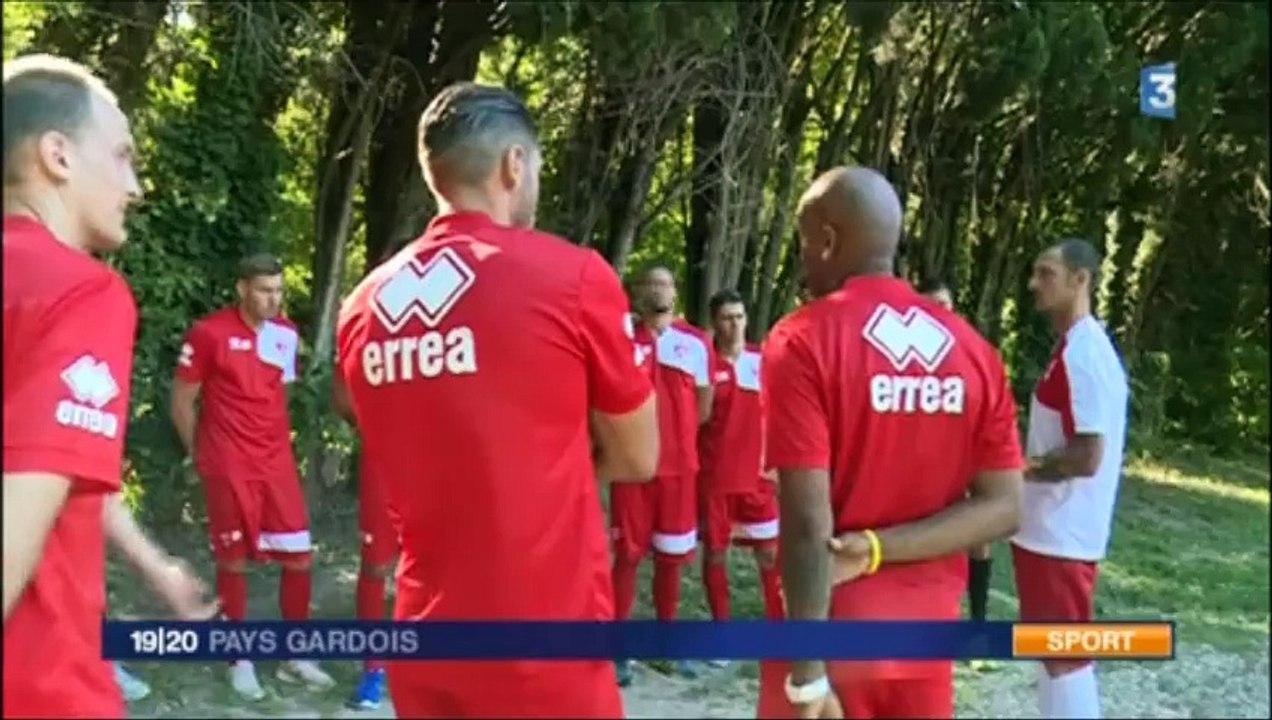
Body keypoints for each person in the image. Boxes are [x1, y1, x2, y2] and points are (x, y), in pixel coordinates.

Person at [334, 81, 659, 718]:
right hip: (542, 644)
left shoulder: (363, 306)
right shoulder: (571, 276)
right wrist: (543, 472)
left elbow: (369, 419)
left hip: (424, 643)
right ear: (514, 164)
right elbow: (639, 456)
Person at [756, 166, 1025, 719]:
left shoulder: (802, 339)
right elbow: (1005, 507)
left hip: (830, 636)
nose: (803, 258)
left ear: (827, 239)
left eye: (804, 241)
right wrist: (880, 547)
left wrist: (806, 677)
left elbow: (807, 523)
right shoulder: (973, 351)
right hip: (925, 641)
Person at [4, 54, 215, 718]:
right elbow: (23, 498)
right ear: (58, 155)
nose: (137, 185)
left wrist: (152, 563)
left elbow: (50, 463)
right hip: (39, 687)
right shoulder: (80, 292)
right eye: (123, 156)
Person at [170, 253, 335, 699]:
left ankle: (294, 655)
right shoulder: (209, 333)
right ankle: (237, 657)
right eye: (264, 290)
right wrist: (200, 455)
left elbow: (277, 395)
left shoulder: (286, 333)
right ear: (242, 289)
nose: (273, 299)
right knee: (234, 560)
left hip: (275, 462)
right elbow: (182, 401)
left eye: (279, 290)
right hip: (228, 462)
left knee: (298, 556)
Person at [1014, 238, 1129, 720]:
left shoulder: (1085, 354)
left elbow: (1087, 455)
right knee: (1052, 650)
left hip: (1062, 530)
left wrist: (1020, 471)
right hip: (1049, 528)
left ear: (1081, 280)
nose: (1034, 284)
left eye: (1047, 274)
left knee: (1065, 655)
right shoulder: (1073, 347)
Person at [611, 262, 715, 684]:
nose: (657, 290)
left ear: (675, 292)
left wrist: (677, 435)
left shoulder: (695, 343)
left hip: (678, 470)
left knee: (671, 559)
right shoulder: (622, 337)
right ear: (637, 292)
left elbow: (704, 406)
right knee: (627, 557)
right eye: (650, 284)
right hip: (632, 467)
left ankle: (666, 642)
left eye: (665, 284)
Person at [332, 243, 408, 711]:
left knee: (441, 565)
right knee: (377, 565)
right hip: (385, 462)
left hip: (441, 462)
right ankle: (373, 668)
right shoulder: (366, 323)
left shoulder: (454, 325)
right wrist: (375, 425)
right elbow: (342, 392)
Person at [697, 288, 783, 647]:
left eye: (739, 317)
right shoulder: (704, 364)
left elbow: (782, 415)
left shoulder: (763, 362)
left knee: (770, 555)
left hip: (757, 478)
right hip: (716, 478)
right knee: (716, 554)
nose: (734, 325)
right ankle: (723, 633)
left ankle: (779, 632)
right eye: (726, 318)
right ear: (714, 323)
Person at [917, 276, 995, 625]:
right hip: (923, 454)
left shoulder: (971, 350)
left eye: (944, 305)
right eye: (930, 306)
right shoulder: (906, 352)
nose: (938, 313)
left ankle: (978, 619)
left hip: (966, 448)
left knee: (977, 531)